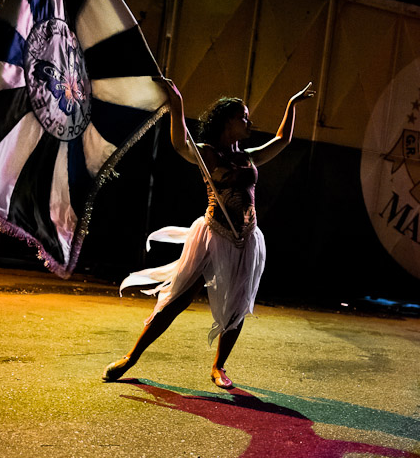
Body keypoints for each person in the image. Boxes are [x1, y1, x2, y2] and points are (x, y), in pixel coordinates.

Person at [103, 78, 315, 389]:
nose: (249, 121)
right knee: (176, 301)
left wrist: (291, 106)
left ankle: (219, 366)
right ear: (227, 120)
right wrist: (177, 103)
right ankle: (130, 357)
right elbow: (179, 145)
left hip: (246, 238)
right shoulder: (207, 154)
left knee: (238, 305)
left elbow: (283, 139)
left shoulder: (248, 155)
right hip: (212, 235)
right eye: (243, 116)